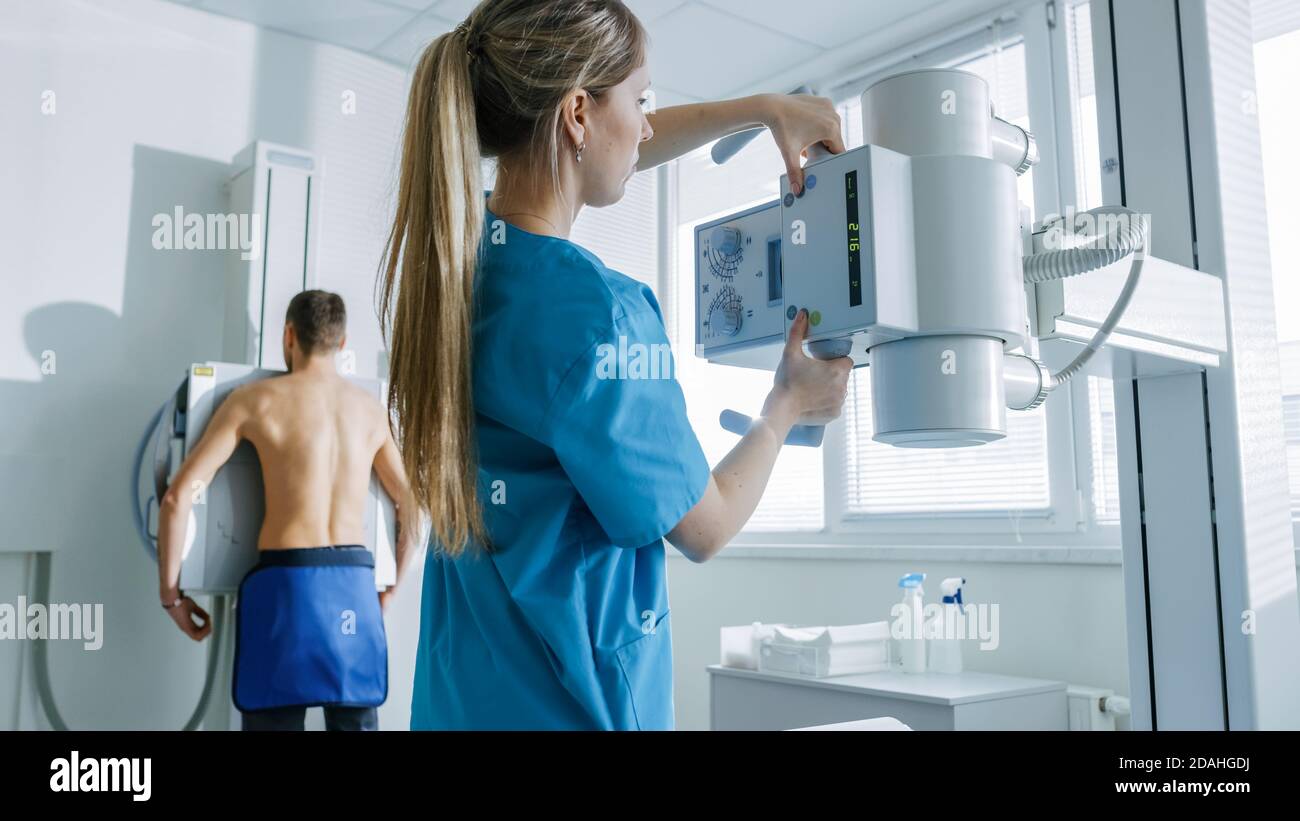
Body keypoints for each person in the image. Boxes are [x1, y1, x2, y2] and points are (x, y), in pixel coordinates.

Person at [380, 0, 852, 730]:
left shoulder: (463, 266)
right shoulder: (600, 315)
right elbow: (706, 527)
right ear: (576, 112)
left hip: (461, 704)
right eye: (640, 100)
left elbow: (614, 148)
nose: (646, 123)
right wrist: (785, 405)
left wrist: (763, 110)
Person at [156, 290, 420, 731]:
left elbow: (177, 498)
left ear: (289, 336)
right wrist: (389, 591)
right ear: (342, 343)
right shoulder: (370, 411)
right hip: (354, 585)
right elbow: (411, 507)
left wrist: (173, 597)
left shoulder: (253, 401)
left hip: (287, 584)